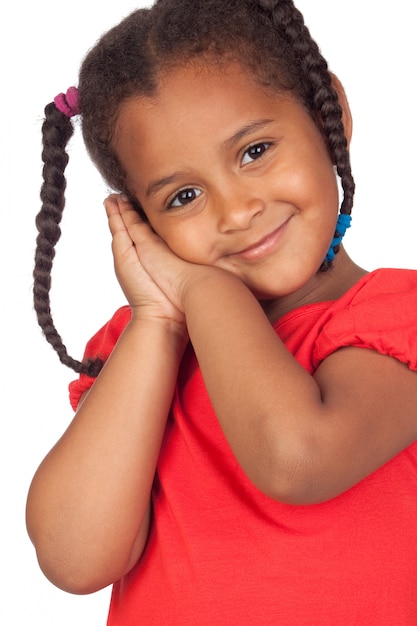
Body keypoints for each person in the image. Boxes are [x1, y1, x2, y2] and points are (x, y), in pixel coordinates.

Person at [26, 0, 417, 623]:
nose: (235, 212)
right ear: (141, 223)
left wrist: (208, 291)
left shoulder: (395, 319)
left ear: (330, 114)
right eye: (183, 196)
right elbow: (75, 559)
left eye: (255, 151)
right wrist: (157, 322)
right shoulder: (145, 351)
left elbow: (297, 458)